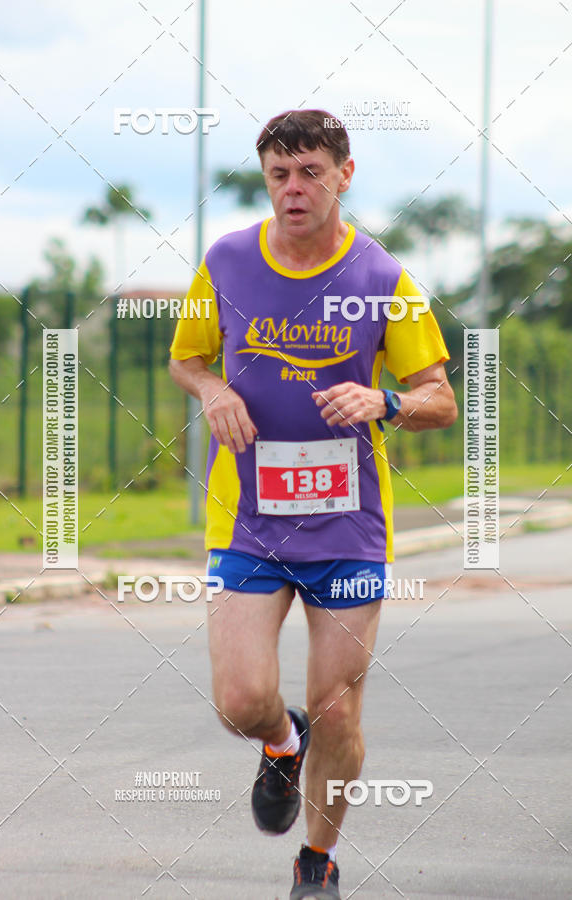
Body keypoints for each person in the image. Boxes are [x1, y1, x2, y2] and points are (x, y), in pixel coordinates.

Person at [169, 108, 457, 899]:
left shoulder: (382, 279)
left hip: (348, 526)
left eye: (310, 174)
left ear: (344, 175)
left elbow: (440, 398)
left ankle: (316, 864)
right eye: (278, 175)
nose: (293, 191)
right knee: (240, 701)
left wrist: (384, 402)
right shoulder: (226, 261)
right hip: (249, 519)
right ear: (266, 180)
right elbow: (187, 359)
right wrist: (215, 387)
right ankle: (278, 744)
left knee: (339, 710)